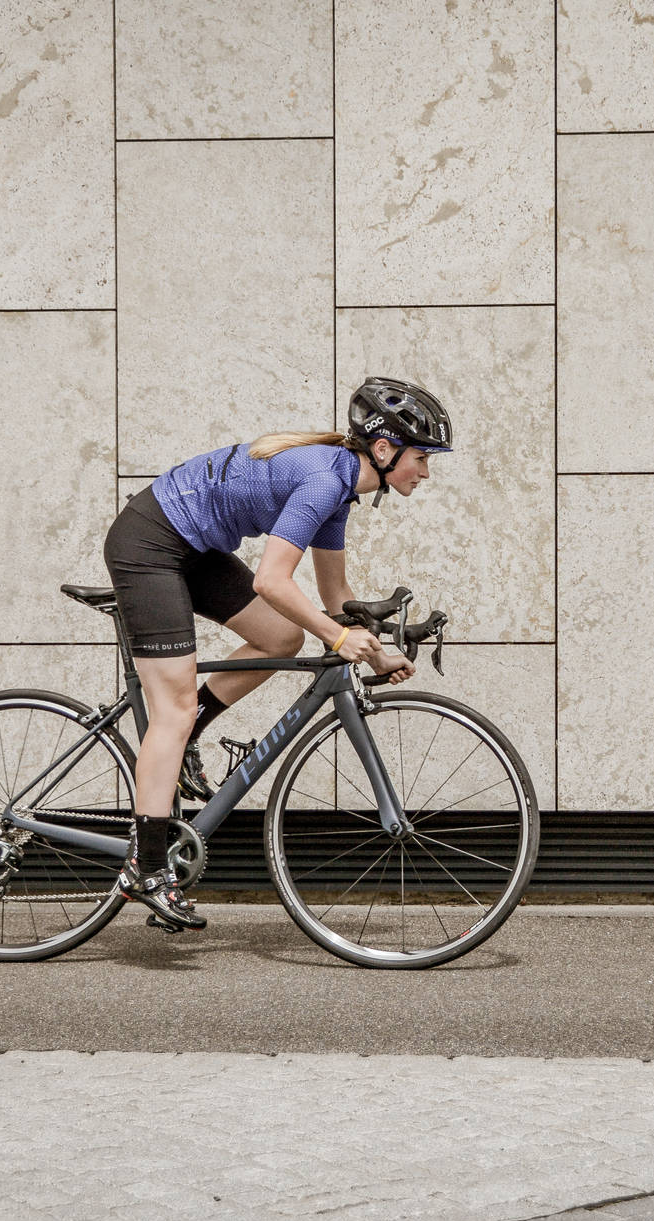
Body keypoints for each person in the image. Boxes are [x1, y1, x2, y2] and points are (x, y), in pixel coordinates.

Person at [100, 376, 454, 932]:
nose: (426, 472)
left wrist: (375, 654)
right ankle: (144, 870)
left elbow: (335, 602)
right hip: (151, 544)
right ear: (384, 451)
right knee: (170, 709)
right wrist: (339, 640)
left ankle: (188, 733)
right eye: (422, 458)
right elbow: (271, 581)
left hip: (193, 547)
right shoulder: (321, 480)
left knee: (281, 638)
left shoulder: (341, 488)